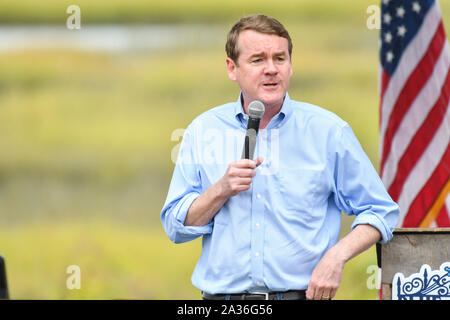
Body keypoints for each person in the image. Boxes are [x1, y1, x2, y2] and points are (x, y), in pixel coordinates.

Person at [161, 14, 399, 300]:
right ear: (232, 68)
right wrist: (220, 190)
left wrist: (336, 257)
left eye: (280, 58)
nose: (271, 69)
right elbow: (175, 227)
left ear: (291, 65)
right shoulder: (203, 130)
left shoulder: (328, 132)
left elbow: (381, 211)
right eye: (258, 60)